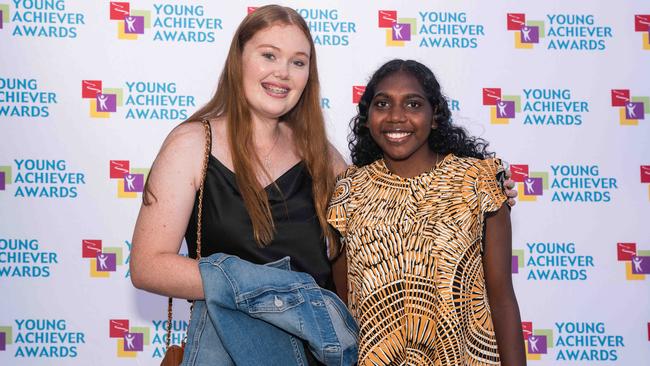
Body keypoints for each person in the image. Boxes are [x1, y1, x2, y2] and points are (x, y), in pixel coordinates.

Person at [327, 59, 526, 365]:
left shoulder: (478, 183)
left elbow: (502, 300)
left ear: (434, 116)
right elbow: (344, 304)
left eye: (413, 104)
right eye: (382, 103)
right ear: (367, 117)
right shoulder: (348, 191)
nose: (396, 117)